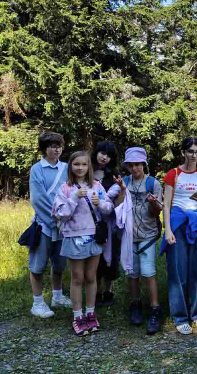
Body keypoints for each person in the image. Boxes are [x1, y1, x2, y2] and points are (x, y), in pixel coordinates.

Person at [53, 151, 115, 336]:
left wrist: (100, 203)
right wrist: (74, 198)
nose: (80, 168)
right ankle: (77, 316)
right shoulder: (65, 188)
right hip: (74, 236)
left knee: (91, 277)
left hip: (94, 236)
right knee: (77, 278)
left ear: (89, 167)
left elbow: (109, 208)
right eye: (76, 164)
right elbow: (60, 214)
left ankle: (90, 313)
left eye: (84, 164)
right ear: (70, 166)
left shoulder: (97, 186)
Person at [162, 137, 197, 335]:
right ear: (183, 153)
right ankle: (180, 316)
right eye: (190, 151)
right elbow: (166, 204)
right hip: (177, 224)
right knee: (178, 270)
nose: (193, 155)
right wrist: (168, 230)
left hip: (196, 223)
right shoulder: (173, 174)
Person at [28, 131, 72, 318]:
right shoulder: (37, 169)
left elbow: (72, 192)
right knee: (37, 265)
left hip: (64, 225)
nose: (56, 150)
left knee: (59, 263)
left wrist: (65, 219)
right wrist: (55, 219)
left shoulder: (67, 167)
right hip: (44, 225)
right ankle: (37, 303)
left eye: (59, 146)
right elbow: (38, 199)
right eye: (52, 146)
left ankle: (57, 297)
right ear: (44, 149)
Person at [122, 147, 163, 335]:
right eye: (131, 165)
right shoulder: (124, 182)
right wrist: (121, 192)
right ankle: (135, 305)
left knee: (148, 271)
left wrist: (153, 202)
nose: (134, 168)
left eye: (138, 164)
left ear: (144, 164)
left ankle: (155, 309)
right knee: (133, 272)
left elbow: (157, 211)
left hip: (148, 234)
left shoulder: (153, 183)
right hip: (129, 235)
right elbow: (117, 206)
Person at [91, 141, 124, 308]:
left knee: (111, 256)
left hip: (110, 222)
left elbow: (120, 197)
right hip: (90, 222)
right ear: (96, 152)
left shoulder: (115, 175)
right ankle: (95, 291)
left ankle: (108, 290)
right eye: (102, 153)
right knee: (94, 257)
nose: (104, 157)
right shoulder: (86, 171)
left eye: (109, 155)